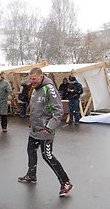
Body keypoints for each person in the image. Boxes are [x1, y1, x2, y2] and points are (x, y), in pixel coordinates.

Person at [18, 67, 73, 197]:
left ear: (41, 76)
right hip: (35, 129)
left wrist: (50, 127)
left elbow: (59, 111)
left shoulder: (49, 88)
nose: (32, 81)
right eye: (30, 79)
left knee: (47, 156)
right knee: (31, 151)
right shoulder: (35, 89)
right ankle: (32, 175)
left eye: (34, 79)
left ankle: (65, 182)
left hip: (46, 130)